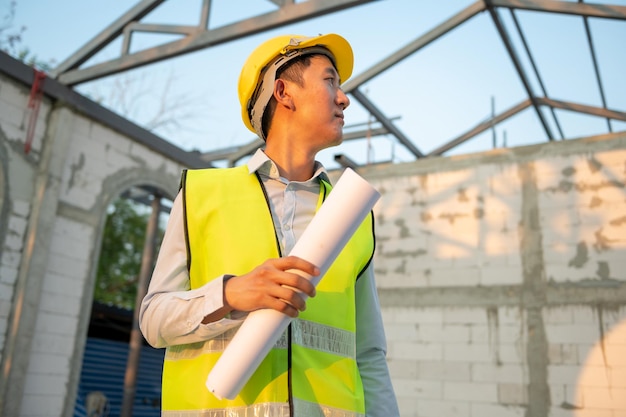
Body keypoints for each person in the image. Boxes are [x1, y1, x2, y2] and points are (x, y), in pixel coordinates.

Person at [139, 33, 400, 417]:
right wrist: (231, 293)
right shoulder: (203, 194)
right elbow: (153, 319)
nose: (344, 98)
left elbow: (369, 355)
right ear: (284, 92)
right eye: (330, 81)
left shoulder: (353, 217)